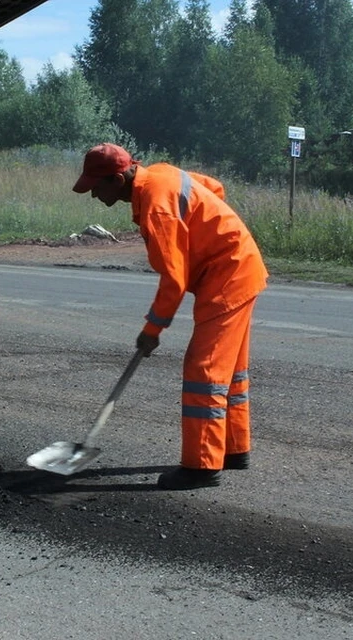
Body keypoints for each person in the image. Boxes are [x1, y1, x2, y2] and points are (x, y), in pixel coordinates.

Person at [72, 143, 269, 490]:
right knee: (231, 372)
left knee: (204, 371)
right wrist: (210, 231)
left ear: (118, 179)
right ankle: (233, 449)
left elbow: (174, 280)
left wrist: (152, 329)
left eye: (96, 186)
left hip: (227, 276)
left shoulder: (155, 205)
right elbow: (214, 188)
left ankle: (202, 466)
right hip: (237, 266)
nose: (93, 195)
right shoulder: (160, 174)